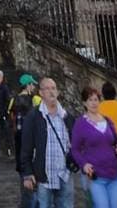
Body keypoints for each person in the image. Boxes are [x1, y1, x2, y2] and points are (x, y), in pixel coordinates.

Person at [20, 76, 77, 208]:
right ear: (41, 93)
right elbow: (26, 147)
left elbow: (75, 142)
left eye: (54, 88)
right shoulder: (33, 116)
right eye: (47, 88)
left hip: (65, 174)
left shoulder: (66, 116)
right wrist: (27, 173)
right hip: (44, 176)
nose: (51, 92)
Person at [70, 85, 117, 208]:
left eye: (96, 99)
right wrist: (83, 164)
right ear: (84, 102)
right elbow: (75, 149)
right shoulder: (80, 124)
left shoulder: (108, 121)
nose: (94, 103)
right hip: (96, 177)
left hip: (115, 175)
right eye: (90, 100)